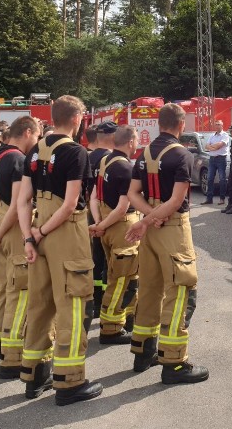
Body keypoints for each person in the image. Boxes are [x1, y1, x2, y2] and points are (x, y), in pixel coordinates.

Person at [16, 95, 102, 405]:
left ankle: (35, 376)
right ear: (77, 119)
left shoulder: (34, 151)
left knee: (40, 304)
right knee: (74, 306)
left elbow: (23, 200)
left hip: (39, 235)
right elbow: (69, 205)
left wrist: (29, 237)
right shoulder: (76, 152)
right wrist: (41, 230)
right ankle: (69, 383)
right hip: (65, 235)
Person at [126, 103, 209, 384]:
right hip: (172, 228)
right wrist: (153, 219)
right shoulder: (182, 154)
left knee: (149, 289)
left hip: (150, 229)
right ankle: (174, 363)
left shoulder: (143, 153)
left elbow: (132, 193)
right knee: (181, 290)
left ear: (158, 124)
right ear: (181, 125)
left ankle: (143, 352)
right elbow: (175, 201)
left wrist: (148, 217)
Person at [0, 115, 40, 378]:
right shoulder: (17, 160)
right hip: (12, 230)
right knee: (20, 292)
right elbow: (19, 204)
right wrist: (2, 233)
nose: (36, 142)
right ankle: (12, 358)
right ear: (27, 132)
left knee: (3, 291)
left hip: (0, 224)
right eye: (36, 137)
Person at [89, 124, 140, 344]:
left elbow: (94, 197)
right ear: (130, 142)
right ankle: (110, 328)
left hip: (106, 226)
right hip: (121, 228)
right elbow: (122, 207)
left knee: (125, 276)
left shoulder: (104, 162)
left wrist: (100, 223)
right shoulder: (126, 169)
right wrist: (104, 225)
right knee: (120, 279)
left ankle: (129, 317)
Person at [87, 121, 117, 321]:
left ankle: (96, 303)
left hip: (91, 212)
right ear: (111, 136)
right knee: (110, 262)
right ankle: (108, 304)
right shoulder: (108, 159)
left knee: (96, 259)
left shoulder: (88, 157)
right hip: (106, 214)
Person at [201, 120, 229, 205]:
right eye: (216, 124)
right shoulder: (212, 135)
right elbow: (206, 146)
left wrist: (212, 147)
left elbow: (220, 145)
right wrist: (214, 147)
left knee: (222, 179)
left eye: (219, 125)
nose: (217, 126)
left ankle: (222, 199)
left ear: (222, 125)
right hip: (212, 159)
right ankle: (209, 199)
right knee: (209, 179)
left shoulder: (225, 135)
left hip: (221, 159)